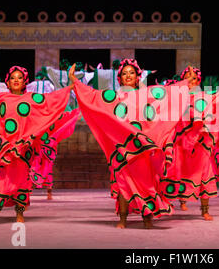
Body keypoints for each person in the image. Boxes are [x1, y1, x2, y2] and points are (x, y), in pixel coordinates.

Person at [69, 58, 190, 229]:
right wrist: (75, 81)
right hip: (122, 148)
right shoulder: (114, 96)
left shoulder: (146, 94)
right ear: (120, 78)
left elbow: (167, 94)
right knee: (123, 183)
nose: (128, 76)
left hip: (142, 148)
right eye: (124, 73)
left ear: (137, 77)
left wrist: (184, 84)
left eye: (131, 73)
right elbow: (94, 97)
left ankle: (147, 218)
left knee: (146, 183)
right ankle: (123, 219)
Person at [0, 66, 72, 222]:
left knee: (22, 182)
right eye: (13, 78)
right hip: (5, 147)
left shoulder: (32, 98)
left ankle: (19, 213)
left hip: (24, 147)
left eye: (19, 77)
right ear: (8, 82)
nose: (16, 80)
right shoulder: (1, 98)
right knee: (1, 179)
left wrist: (71, 87)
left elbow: (50, 101)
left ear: (24, 80)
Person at [162, 66, 219, 220]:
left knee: (204, 175)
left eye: (194, 78)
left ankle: (205, 210)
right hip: (182, 145)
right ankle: (168, 204)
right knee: (175, 174)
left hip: (200, 145)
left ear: (198, 81)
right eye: (188, 78)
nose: (191, 81)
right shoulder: (176, 98)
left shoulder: (204, 97)